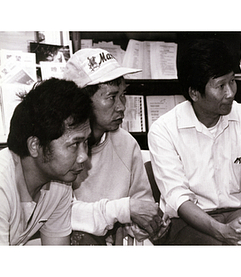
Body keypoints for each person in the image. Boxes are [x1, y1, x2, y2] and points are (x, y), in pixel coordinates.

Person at [148, 38, 241, 245]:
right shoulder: (163, 130)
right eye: (220, 86)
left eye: (232, 81)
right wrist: (222, 232)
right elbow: (179, 197)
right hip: (191, 219)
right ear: (194, 92)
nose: (230, 93)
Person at [63, 48, 169, 245]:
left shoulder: (126, 143)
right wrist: (123, 211)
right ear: (81, 102)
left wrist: (140, 224)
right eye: (111, 97)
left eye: (123, 95)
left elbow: (142, 202)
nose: (122, 106)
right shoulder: (59, 146)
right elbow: (60, 213)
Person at [0, 78, 92, 245]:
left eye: (86, 142)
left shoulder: (60, 185)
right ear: (35, 145)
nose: (84, 157)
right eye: (75, 144)